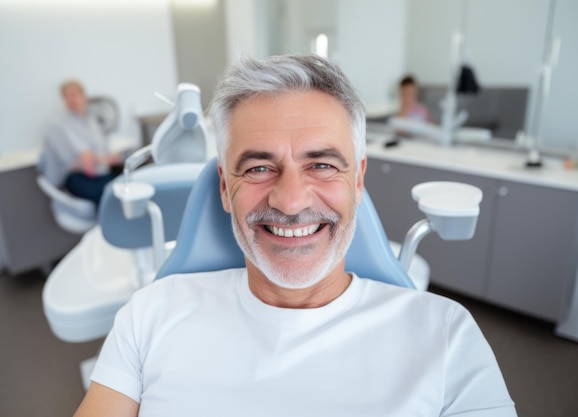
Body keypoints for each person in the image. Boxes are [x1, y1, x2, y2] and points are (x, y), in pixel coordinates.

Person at [73, 54, 516, 416]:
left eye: (321, 164)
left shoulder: (446, 334)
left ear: (357, 182)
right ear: (226, 189)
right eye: (259, 168)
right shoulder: (150, 315)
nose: (290, 201)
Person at [42, 79, 123, 207]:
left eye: (74, 95)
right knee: (110, 196)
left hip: (102, 173)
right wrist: (103, 159)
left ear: (84, 96)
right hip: (78, 177)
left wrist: (107, 158)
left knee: (129, 185)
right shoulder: (60, 126)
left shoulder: (93, 122)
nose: (71, 100)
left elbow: (102, 154)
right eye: (66, 97)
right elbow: (86, 163)